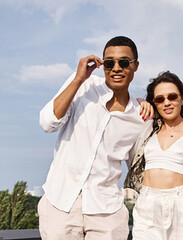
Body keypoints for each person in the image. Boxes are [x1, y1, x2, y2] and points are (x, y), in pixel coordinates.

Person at [37, 36, 153, 240]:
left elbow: (139, 168)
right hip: (60, 202)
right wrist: (78, 79)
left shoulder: (141, 116)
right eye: (109, 63)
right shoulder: (84, 86)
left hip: (106, 210)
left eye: (124, 62)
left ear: (135, 66)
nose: (116, 68)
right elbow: (48, 123)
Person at [124, 71, 183, 240]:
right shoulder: (149, 129)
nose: (167, 102)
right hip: (147, 203)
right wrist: (141, 102)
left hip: (181, 203)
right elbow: (128, 106)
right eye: (159, 99)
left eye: (172, 97)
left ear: (182, 98)